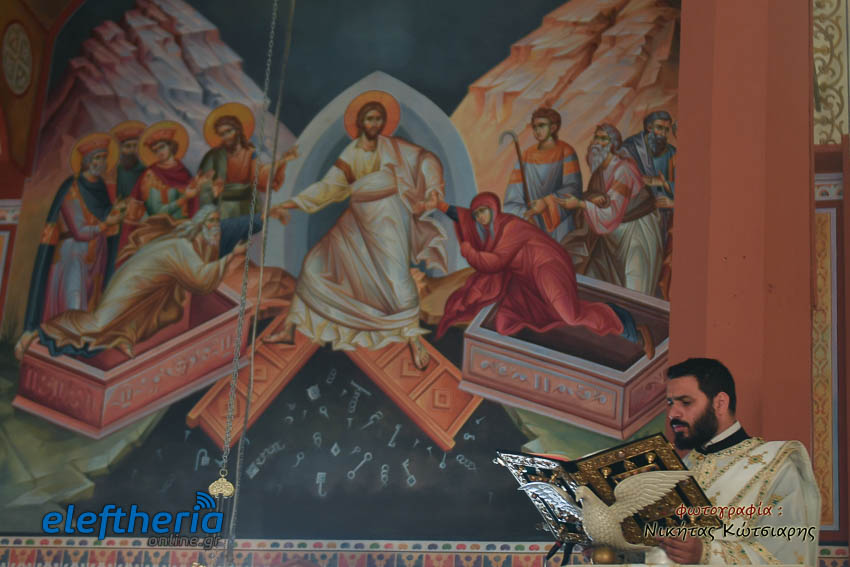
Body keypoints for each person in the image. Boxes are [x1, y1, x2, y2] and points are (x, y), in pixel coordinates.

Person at [264, 91, 447, 369]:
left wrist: (433, 189)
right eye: (370, 119)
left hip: (388, 219)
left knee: (397, 282)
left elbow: (426, 160)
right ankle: (289, 329)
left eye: (379, 119)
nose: (374, 124)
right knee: (315, 265)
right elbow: (329, 187)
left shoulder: (394, 148)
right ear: (360, 122)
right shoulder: (351, 153)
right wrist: (291, 203)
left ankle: (415, 341)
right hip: (357, 220)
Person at [31, 204, 287, 359]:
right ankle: (48, 332)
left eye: (216, 226)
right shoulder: (182, 248)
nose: (216, 231)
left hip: (145, 288)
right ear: (200, 226)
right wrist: (231, 256)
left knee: (131, 322)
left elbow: (230, 228)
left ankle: (116, 340)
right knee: (99, 323)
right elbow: (200, 280)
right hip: (132, 283)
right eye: (211, 225)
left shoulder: (193, 241)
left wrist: (264, 218)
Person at [430, 192, 654, 358]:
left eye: (483, 211)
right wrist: (441, 205)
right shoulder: (494, 233)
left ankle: (627, 326)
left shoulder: (510, 227)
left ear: (493, 208)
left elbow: (496, 262)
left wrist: (468, 251)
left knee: (571, 316)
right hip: (526, 280)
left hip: (547, 269)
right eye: (477, 213)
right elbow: (464, 218)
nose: (479, 217)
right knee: (505, 321)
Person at [653, 358, 820, 565]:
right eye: (670, 403)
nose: (672, 414)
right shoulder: (680, 467)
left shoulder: (776, 465)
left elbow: (786, 555)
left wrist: (707, 553)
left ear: (720, 403)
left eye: (686, 402)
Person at [16, 132, 123, 360]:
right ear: (87, 161)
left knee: (88, 312)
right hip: (72, 255)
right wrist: (107, 224)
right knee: (73, 305)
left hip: (96, 257)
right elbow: (79, 230)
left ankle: (78, 357)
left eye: (104, 157)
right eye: (97, 158)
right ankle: (62, 354)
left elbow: (107, 219)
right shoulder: (72, 187)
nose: (102, 163)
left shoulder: (101, 188)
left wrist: (117, 218)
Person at [560, 124, 664, 296]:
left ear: (613, 145)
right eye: (596, 137)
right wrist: (590, 199)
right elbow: (597, 198)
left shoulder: (624, 169)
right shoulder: (599, 172)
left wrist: (580, 204)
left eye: (603, 139)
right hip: (611, 234)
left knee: (635, 290)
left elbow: (612, 211)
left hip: (635, 232)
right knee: (595, 281)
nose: (596, 143)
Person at [197, 102, 297, 219]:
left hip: (249, 203)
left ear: (238, 130)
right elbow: (202, 183)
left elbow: (259, 175)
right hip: (225, 206)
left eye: (229, 131)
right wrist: (214, 188)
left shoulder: (250, 152)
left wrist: (281, 162)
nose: (226, 137)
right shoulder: (214, 156)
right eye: (222, 134)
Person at [502, 108, 582, 241]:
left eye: (541, 126)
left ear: (553, 128)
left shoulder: (566, 151)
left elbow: (573, 188)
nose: (537, 131)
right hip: (533, 223)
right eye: (534, 127)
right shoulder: (527, 155)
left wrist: (546, 203)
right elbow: (514, 193)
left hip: (559, 223)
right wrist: (525, 214)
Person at [622, 111, 675, 299]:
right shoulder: (629, 149)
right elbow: (622, 180)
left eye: (666, 130)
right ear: (648, 127)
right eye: (659, 128)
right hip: (635, 216)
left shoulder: (672, 154)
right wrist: (647, 182)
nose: (663, 134)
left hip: (665, 219)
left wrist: (669, 194)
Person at [127, 121, 206, 221]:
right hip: (161, 225)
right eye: (155, 150)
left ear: (170, 146)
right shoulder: (151, 175)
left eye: (162, 147)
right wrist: (185, 198)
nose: (159, 152)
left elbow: (193, 202)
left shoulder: (183, 171)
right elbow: (156, 212)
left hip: (184, 224)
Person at [109, 120, 147, 202]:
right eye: (128, 146)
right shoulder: (120, 168)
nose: (132, 149)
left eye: (135, 145)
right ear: (121, 149)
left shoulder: (145, 168)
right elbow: (119, 194)